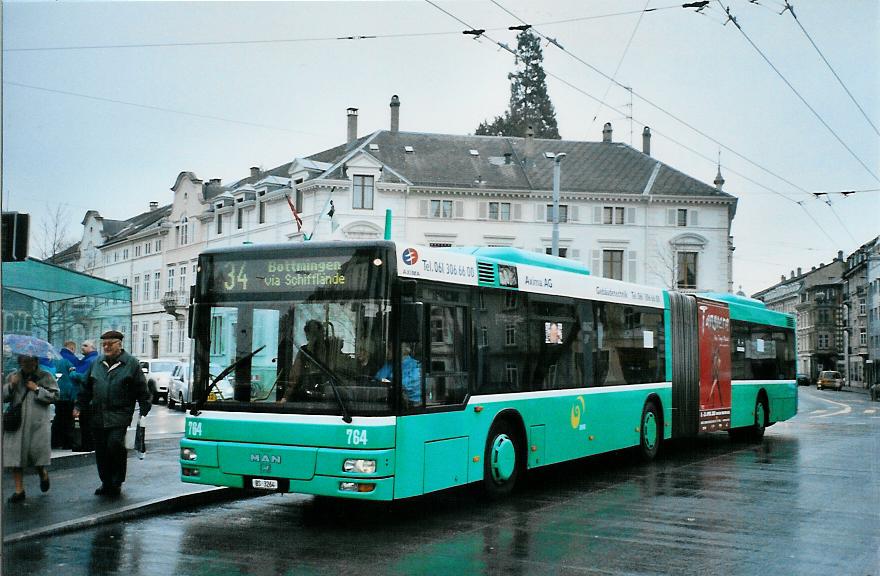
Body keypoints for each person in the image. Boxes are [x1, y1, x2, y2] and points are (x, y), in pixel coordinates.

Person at [73, 330, 151, 496]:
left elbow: (141, 388)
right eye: (104, 344)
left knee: (114, 444)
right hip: (97, 414)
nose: (106, 347)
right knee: (101, 450)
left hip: (120, 413)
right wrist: (79, 405)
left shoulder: (131, 363)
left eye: (110, 344)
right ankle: (106, 482)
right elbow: (86, 386)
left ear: (119, 344)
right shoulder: (97, 363)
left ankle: (117, 480)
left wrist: (144, 408)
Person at [3, 355, 59, 503]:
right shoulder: (13, 376)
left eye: (30, 360)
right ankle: (19, 490)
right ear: (19, 362)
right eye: (23, 360)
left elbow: (55, 396)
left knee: (36, 457)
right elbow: (3, 397)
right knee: (15, 458)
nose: (27, 363)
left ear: (36, 361)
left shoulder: (45, 376)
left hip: (37, 424)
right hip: (17, 423)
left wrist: (37, 389)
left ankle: (42, 473)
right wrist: (11, 386)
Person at [280, 320, 330, 402]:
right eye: (312, 334)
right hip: (306, 397)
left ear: (322, 334)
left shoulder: (330, 351)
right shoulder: (304, 352)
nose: (315, 338)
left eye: (317, 333)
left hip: (328, 398)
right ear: (307, 336)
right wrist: (285, 397)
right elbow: (295, 376)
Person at [69, 340, 98, 451]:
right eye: (82, 345)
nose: (82, 347)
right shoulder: (89, 360)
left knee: (86, 421)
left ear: (92, 348)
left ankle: (87, 445)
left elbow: (85, 377)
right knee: (86, 421)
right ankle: (88, 444)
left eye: (85, 346)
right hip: (87, 395)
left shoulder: (90, 361)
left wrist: (72, 373)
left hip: (86, 396)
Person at [52, 341, 80, 449]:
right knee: (68, 419)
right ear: (72, 348)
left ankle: (55, 441)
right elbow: (74, 376)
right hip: (68, 394)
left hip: (57, 393)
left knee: (58, 417)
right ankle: (67, 443)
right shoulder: (72, 359)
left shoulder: (56, 359)